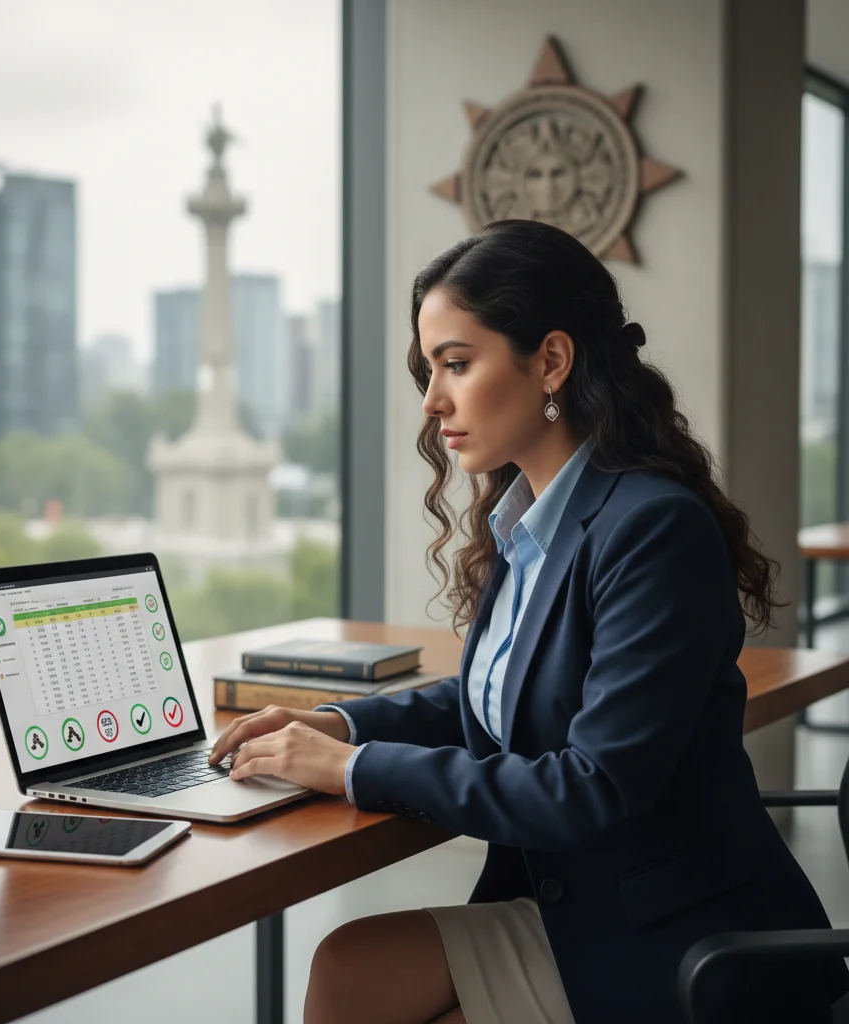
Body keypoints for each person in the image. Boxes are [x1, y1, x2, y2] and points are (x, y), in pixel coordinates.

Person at [208, 219, 849, 1023]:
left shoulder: (651, 529)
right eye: (430, 369)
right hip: (586, 905)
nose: (433, 399)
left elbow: (593, 789)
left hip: (677, 936)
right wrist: (334, 724)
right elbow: (490, 701)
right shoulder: (534, 521)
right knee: (355, 971)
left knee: (354, 972)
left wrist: (351, 770)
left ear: (550, 360)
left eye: (457, 364)